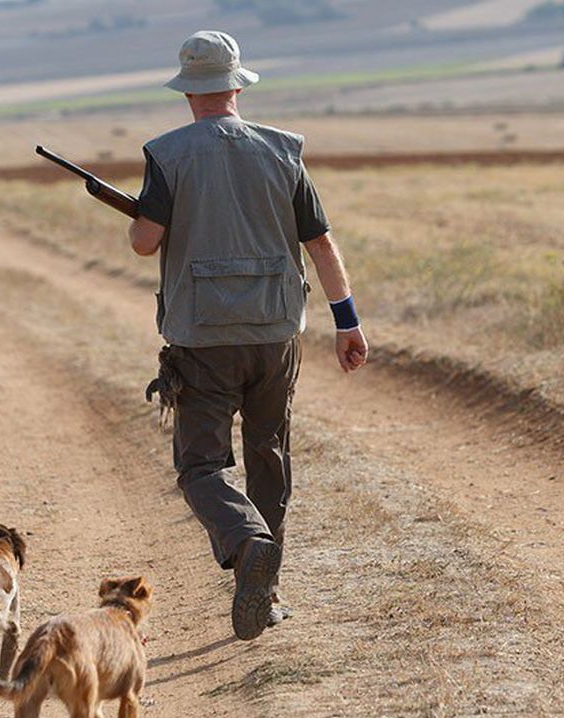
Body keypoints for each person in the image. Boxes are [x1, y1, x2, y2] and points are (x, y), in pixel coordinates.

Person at [129, 30, 368, 641]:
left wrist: (147, 209)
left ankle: (246, 542)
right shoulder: (283, 150)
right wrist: (348, 321)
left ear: (188, 93)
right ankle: (270, 590)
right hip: (275, 332)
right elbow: (320, 243)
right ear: (236, 86)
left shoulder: (167, 153)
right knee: (269, 455)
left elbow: (144, 242)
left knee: (201, 467)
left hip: (201, 338)